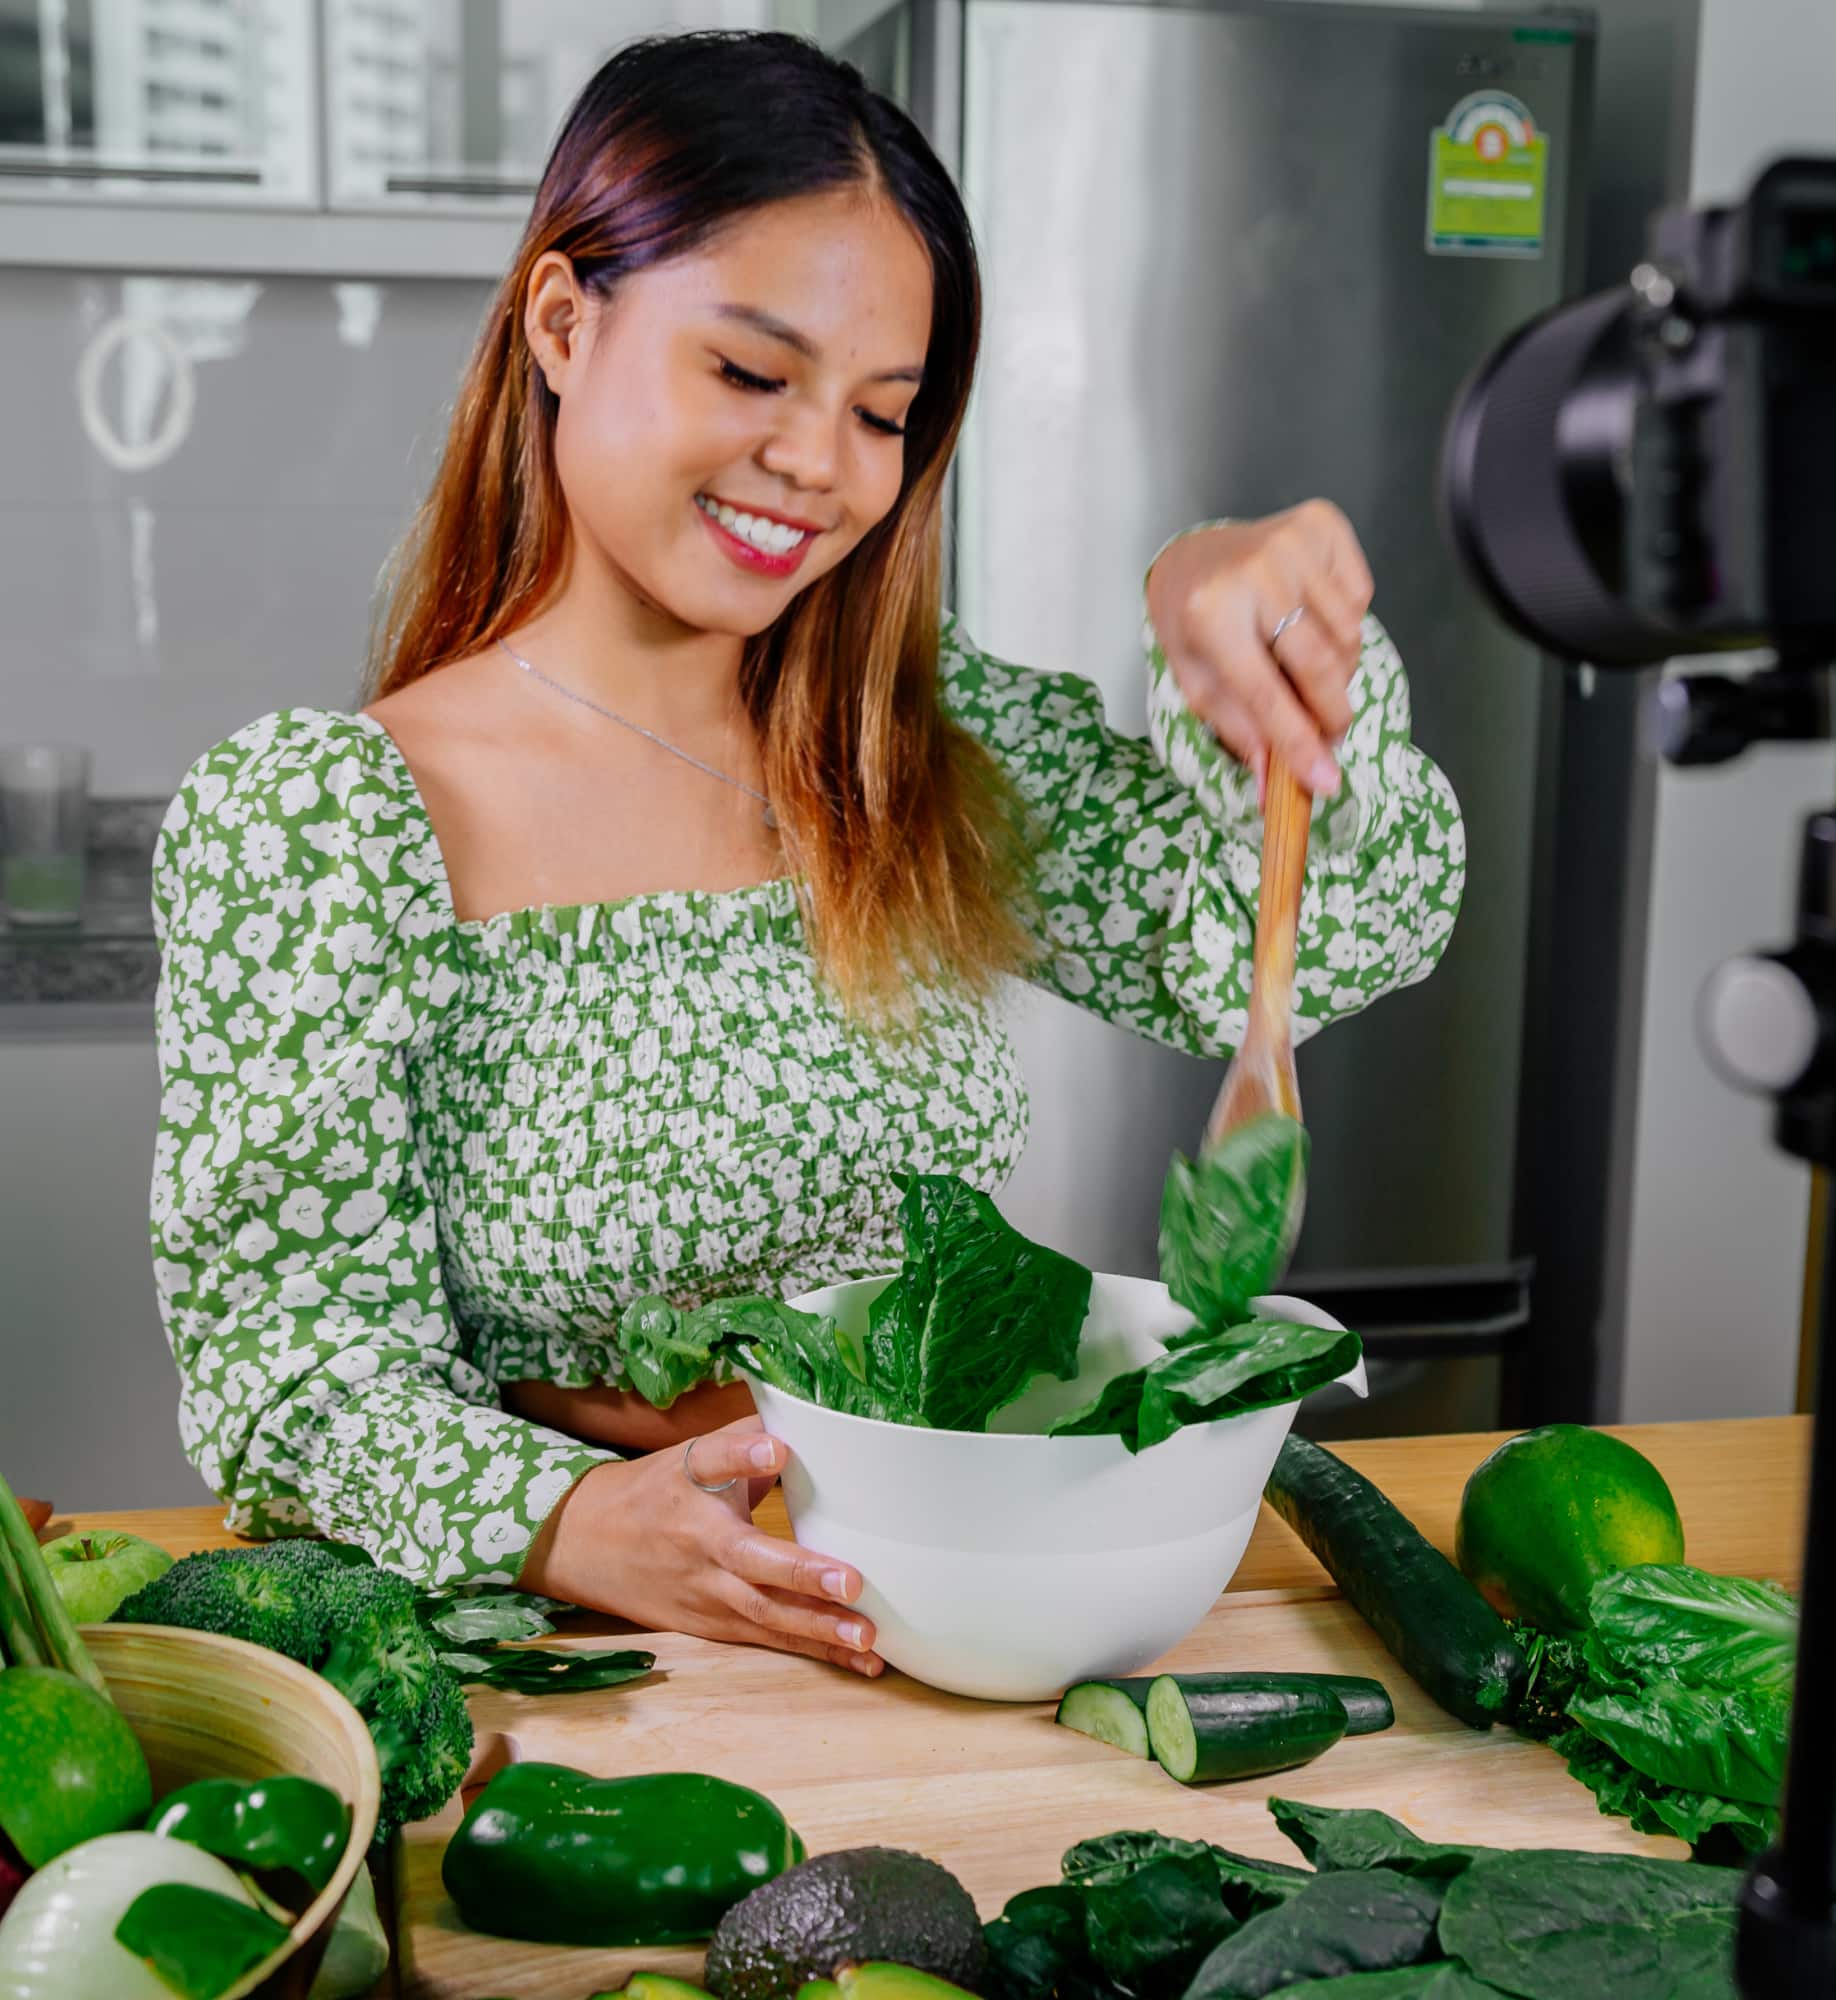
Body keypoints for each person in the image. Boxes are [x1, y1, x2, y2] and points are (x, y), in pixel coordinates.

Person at [149, 32, 1463, 1678]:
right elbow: (289, 1364)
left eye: (882, 413)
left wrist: (1224, 606)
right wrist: (561, 1519)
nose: (819, 466)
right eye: (753, 376)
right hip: (602, 1667)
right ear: (566, 322)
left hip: (966, 1611)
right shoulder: (323, 822)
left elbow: (1306, 949)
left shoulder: (916, 738)